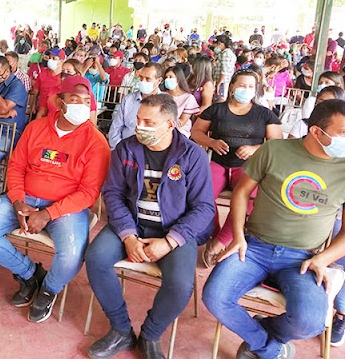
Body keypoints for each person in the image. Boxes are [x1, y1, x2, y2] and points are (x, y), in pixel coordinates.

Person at [203, 99, 345, 359]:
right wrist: (237, 236)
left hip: (304, 258)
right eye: (342, 133)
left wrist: (324, 259)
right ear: (316, 131)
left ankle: (260, 333)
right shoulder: (275, 151)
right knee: (215, 297)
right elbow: (241, 193)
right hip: (254, 246)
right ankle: (270, 348)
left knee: (310, 321)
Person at [0, 75, 110, 323]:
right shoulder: (36, 128)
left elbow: (88, 193)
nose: (81, 106)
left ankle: (48, 289)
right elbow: (16, 167)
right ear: (60, 101)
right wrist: (18, 201)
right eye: (74, 99)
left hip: (67, 208)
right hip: (25, 199)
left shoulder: (97, 143)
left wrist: (47, 214)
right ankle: (30, 273)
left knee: (73, 254)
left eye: (87, 101)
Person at [85, 94, 215, 359]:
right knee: (96, 258)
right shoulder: (126, 149)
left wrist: (170, 242)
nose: (139, 127)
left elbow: (204, 208)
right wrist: (128, 236)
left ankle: (150, 334)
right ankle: (121, 329)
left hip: (173, 230)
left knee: (179, 284)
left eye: (149, 122)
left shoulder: (192, 155)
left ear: (170, 124)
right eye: (138, 120)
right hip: (132, 223)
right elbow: (113, 194)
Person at [191, 70, 282, 267]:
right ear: (232, 87)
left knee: (248, 199)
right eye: (242, 86)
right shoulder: (216, 110)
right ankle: (212, 232)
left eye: (251, 87)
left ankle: (219, 243)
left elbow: (276, 142)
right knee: (201, 195)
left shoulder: (264, 113)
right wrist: (212, 142)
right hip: (218, 163)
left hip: (248, 167)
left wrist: (255, 149)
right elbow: (196, 132)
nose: (246, 90)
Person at [109, 62, 164, 149]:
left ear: (159, 80)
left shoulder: (165, 103)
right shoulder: (128, 100)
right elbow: (115, 129)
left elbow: (166, 136)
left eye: (148, 79)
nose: (143, 81)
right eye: (141, 78)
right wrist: (121, 150)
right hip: (125, 149)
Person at [163, 66, 199, 137]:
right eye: (166, 77)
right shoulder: (161, 95)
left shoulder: (188, 98)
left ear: (178, 79)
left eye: (170, 77)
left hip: (180, 133)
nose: (167, 79)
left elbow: (181, 122)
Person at [33, 47, 63, 120]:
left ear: (61, 61)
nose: (50, 60)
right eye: (49, 58)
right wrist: (33, 106)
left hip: (57, 113)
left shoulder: (64, 77)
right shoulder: (42, 74)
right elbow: (36, 92)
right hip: (42, 110)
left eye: (54, 58)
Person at [212, 34, 236, 101]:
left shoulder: (226, 54)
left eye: (216, 44)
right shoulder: (224, 53)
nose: (216, 47)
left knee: (220, 100)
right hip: (222, 81)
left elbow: (224, 71)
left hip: (222, 82)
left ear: (220, 43)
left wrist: (218, 84)